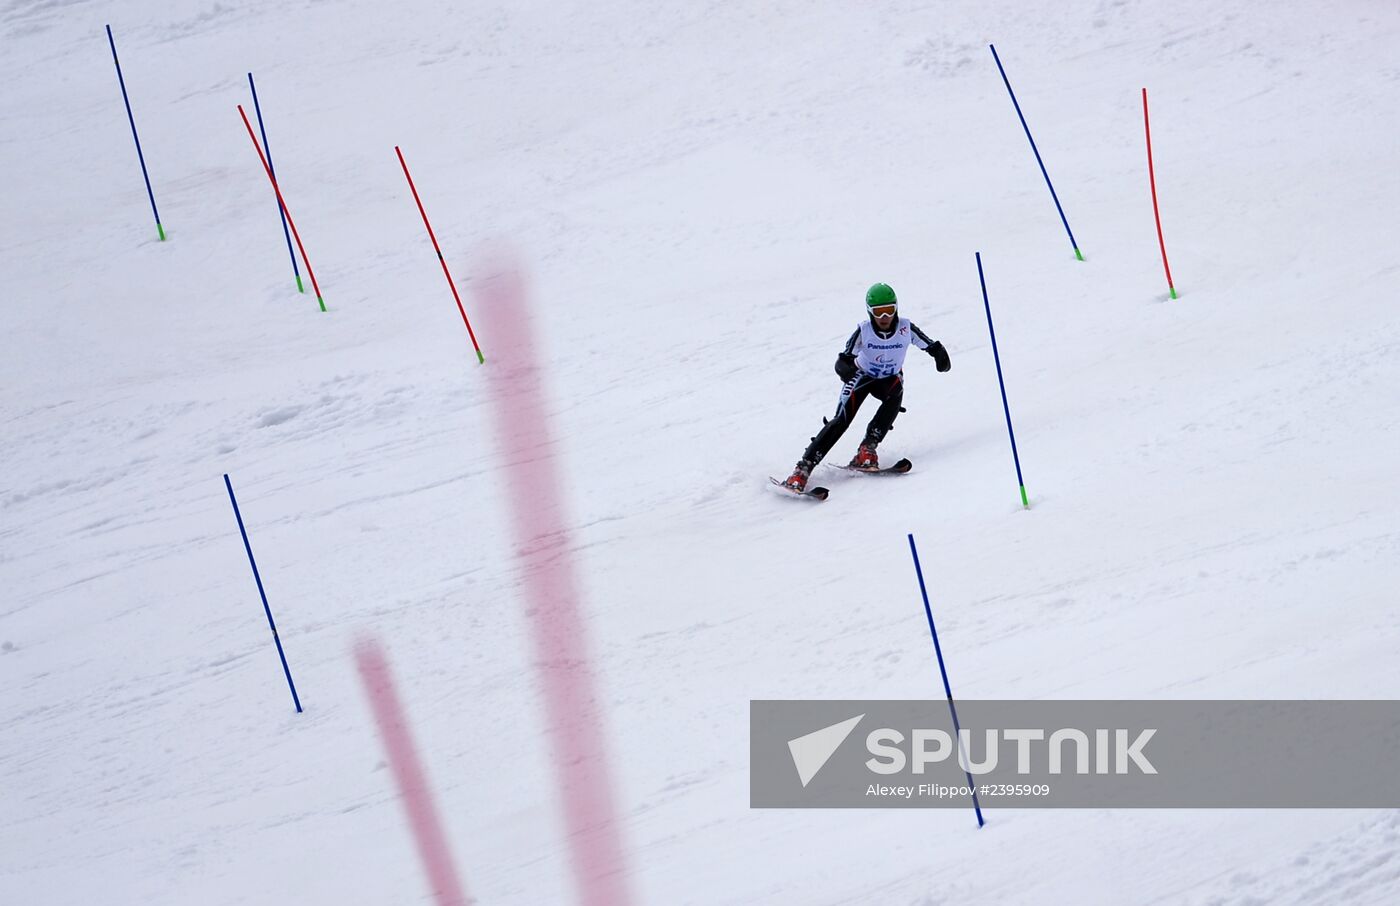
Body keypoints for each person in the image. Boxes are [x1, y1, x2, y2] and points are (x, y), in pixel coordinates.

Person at [783, 283, 951, 491]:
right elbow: (845, 357)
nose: (884, 318)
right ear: (870, 312)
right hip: (862, 377)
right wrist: (843, 368)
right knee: (841, 420)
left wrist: (939, 354)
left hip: (889, 379)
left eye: (889, 310)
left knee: (896, 390)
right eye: (879, 312)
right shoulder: (864, 330)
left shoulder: (906, 328)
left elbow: (929, 344)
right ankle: (802, 469)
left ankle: (867, 448)